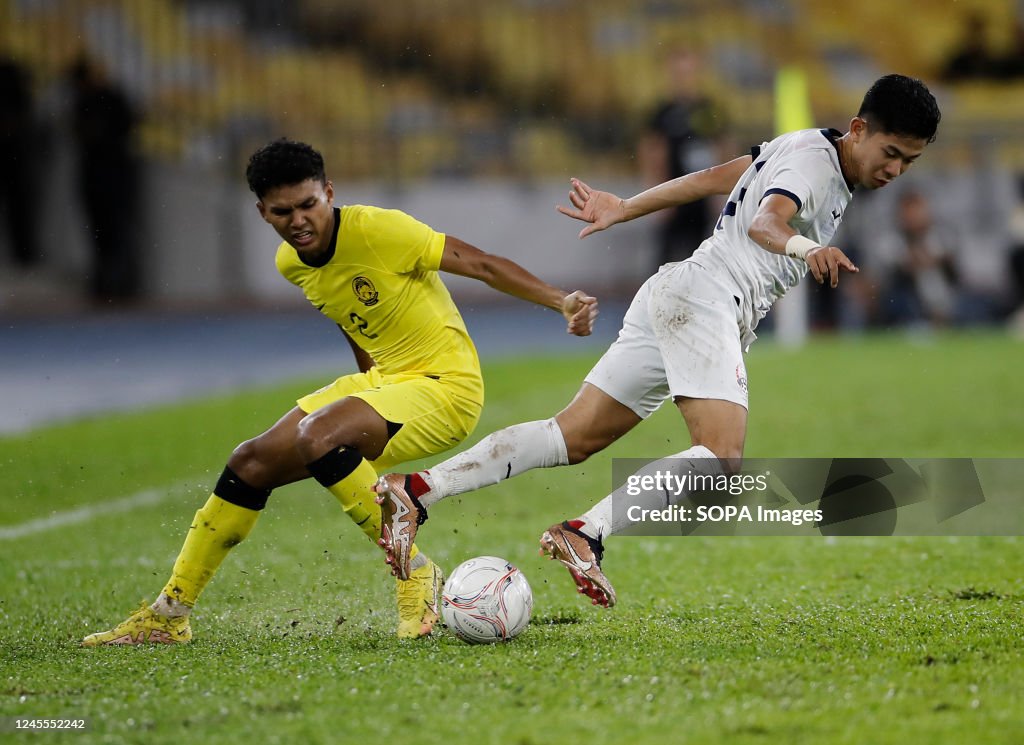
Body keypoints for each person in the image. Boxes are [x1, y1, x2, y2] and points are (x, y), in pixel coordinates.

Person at [376, 75, 941, 607]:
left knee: (569, 437)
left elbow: (719, 177)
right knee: (721, 456)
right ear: (860, 129)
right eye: (890, 153)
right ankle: (585, 533)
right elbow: (764, 224)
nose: (896, 169)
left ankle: (418, 488)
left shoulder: (810, 144)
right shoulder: (816, 171)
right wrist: (804, 249)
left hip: (679, 291)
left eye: (910, 162)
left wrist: (625, 206)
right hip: (707, 299)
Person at [82, 139, 598, 645]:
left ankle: (415, 574)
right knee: (251, 463)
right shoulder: (292, 263)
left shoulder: (380, 230)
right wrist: (367, 393)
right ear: (263, 212)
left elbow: (481, 264)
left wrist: (560, 301)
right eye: (283, 211)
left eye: (309, 204)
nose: (299, 220)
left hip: (445, 387)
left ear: (329, 191)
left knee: (318, 435)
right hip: (386, 382)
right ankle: (168, 615)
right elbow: (352, 317)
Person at [638, 48, 731, 266]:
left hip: (701, 196)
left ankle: (694, 299)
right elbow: (650, 151)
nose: (684, 78)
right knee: (664, 259)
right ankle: (658, 299)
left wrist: (721, 193)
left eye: (689, 71)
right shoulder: (662, 111)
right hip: (670, 194)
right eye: (679, 72)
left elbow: (723, 148)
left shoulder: (709, 109)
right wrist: (653, 193)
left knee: (701, 258)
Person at [69, 56, 143, 302]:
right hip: (102, 177)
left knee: (115, 233)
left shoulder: (106, 98)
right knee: (103, 234)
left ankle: (120, 286)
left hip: (111, 176)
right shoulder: (89, 100)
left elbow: (126, 126)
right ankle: (107, 286)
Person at [0, 52, 40, 267]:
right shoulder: (12, 76)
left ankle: (24, 254)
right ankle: (24, 254)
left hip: (14, 149)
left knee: (19, 203)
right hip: (15, 150)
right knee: (19, 202)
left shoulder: (11, 76)